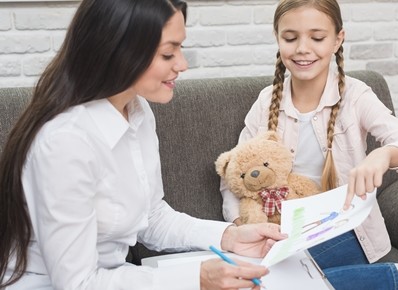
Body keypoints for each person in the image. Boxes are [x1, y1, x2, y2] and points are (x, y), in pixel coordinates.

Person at [0, 0, 288, 289]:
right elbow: (79, 284)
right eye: (168, 53)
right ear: (121, 51)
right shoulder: (65, 143)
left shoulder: (137, 110)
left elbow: (151, 216)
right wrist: (195, 279)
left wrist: (230, 236)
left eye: (180, 49)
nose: (182, 64)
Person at [220, 0, 398, 289]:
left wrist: (385, 155)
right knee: (257, 282)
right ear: (278, 38)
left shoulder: (356, 97)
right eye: (290, 38)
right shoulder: (266, 102)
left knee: (274, 284)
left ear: (338, 39)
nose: (302, 48)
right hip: (282, 232)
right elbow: (232, 177)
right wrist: (243, 225)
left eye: (317, 37)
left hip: (345, 228)